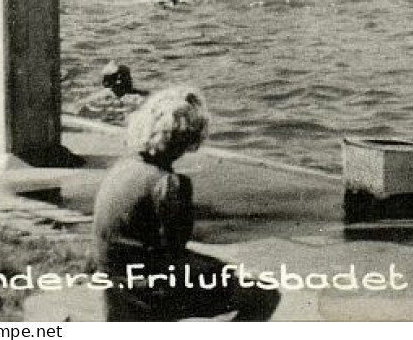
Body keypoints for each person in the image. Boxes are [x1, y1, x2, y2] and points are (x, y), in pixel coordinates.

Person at [92, 87, 278, 321]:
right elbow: (175, 249)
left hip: (115, 287)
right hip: (151, 293)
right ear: (186, 140)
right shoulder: (169, 183)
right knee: (263, 294)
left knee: (218, 272)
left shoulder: (123, 167)